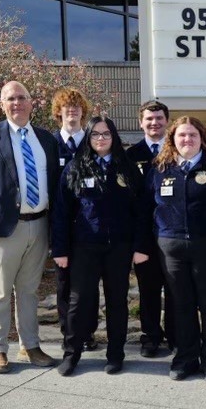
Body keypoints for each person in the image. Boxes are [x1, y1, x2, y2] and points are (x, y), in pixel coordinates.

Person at [138, 116, 206, 384]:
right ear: (172, 139)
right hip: (170, 249)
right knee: (181, 305)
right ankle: (185, 358)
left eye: (193, 135)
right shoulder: (160, 169)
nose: (187, 140)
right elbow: (145, 210)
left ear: (202, 138)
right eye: (182, 135)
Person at [0, 81, 59, 373]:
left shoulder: (46, 139)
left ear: (32, 102)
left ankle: (30, 346)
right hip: (3, 226)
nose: (17, 103)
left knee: (29, 290)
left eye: (22, 97)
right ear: (2, 104)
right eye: (10, 98)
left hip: (39, 225)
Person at [52, 116, 143, 376]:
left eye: (106, 134)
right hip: (84, 247)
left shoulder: (127, 168)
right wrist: (60, 249)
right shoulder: (75, 167)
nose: (100, 139)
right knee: (79, 302)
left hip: (119, 247)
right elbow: (61, 211)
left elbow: (141, 211)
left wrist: (139, 246)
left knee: (117, 301)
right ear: (88, 138)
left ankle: (115, 355)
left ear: (114, 137)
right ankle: (72, 354)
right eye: (95, 134)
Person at [51, 87, 99, 352]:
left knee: (88, 281)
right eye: (67, 107)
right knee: (63, 282)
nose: (72, 111)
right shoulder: (50, 144)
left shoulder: (93, 143)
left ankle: (88, 331)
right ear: (59, 112)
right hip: (59, 226)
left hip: (89, 227)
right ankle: (68, 331)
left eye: (77, 107)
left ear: (83, 112)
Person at [126, 100, 175, 357]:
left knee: (177, 289)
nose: (154, 123)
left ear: (167, 121)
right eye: (149, 119)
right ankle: (151, 336)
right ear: (140, 122)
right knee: (148, 290)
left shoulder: (178, 151)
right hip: (144, 236)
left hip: (173, 234)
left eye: (159, 118)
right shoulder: (130, 156)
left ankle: (176, 335)